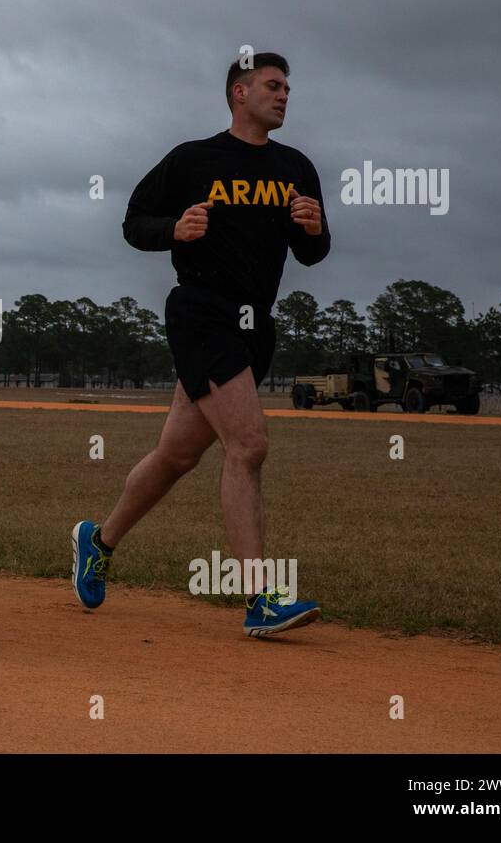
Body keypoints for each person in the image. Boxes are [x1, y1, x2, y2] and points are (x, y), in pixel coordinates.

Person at [72, 52, 330, 637]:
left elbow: (313, 253)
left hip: (255, 324)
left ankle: (98, 540)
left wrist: (314, 229)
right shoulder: (192, 159)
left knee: (177, 456)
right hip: (201, 313)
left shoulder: (296, 167)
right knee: (249, 445)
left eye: (288, 87)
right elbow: (134, 222)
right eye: (272, 85)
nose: (284, 95)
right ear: (239, 93)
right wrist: (173, 230)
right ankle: (259, 600)